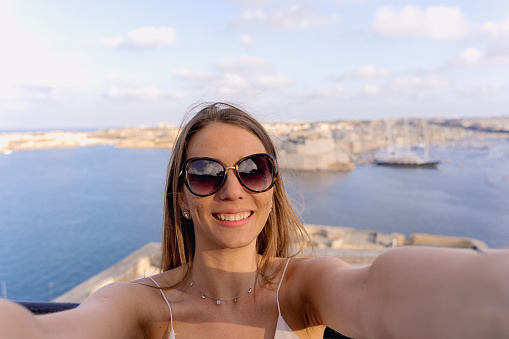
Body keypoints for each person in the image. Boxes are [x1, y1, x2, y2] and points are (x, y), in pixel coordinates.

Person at [1, 102, 508, 339]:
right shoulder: (138, 306)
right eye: (204, 174)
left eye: (253, 170)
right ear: (180, 197)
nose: (232, 189)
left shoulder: (303, 289)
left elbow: (380, 291)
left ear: (272, 186)